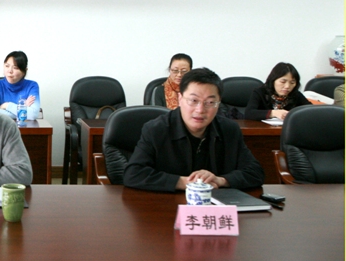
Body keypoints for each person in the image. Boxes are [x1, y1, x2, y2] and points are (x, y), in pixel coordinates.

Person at [123, 67, 264, 192]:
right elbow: (133, 174)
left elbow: (255, 172)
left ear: (219, 103)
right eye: (193, 100)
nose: (200, 110)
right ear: (180, 98)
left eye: (210, 102)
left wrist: (220, 180)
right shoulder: (156, 129)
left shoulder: (229, 130)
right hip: (169, 206)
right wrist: (186, 183)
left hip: (215, 206)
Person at [245, 62, 311, 121]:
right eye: (283, 82)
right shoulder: (260, 92)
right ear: (273, 80)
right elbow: (249, 113)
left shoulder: (295, 95)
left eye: (292, 83)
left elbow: (311, 110)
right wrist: (273, 113)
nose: (287, 86)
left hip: (288, 129)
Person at [0, 50, 41, 121]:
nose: (10, 71)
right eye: (7, 66)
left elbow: (33, 114)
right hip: (1, 126)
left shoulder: (32, 86)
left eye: (15, 68)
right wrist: (23, 109)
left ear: (24, 71)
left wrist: (5, 105)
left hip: (24, 126)